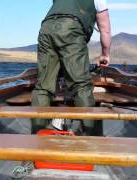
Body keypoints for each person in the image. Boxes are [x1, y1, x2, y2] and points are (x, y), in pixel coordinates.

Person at [31, 0, 111, 134]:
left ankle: (38, 133)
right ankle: (87, 134)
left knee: (43, 86)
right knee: (81, 85)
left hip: (46, 28)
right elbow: (105, 30)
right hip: (70, 28)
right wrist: (105, 54)